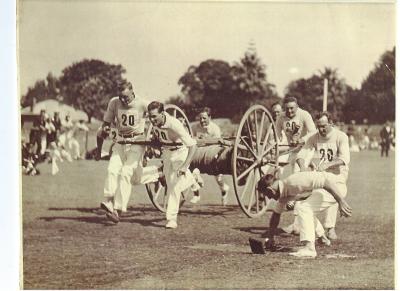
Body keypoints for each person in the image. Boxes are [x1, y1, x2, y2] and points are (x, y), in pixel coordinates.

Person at [249, 169, 352, 257]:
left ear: (269, 190)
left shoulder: (293, 182)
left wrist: (341, 201)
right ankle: (322, 238)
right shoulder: (283, 193)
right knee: (305, 206)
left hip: (336, 186)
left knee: (303, 207)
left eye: (266, 194)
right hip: (328, 188)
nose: (268, 197)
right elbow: (276, 215)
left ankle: (309, 249)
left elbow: (325, 182)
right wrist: (270, 237)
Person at [292, 111, 351, 255]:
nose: (321, 130)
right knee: (302, 207)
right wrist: (304, 168)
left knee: (304, 208)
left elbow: (344, 159)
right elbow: (300, 155)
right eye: (318, 126)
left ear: (331, 123)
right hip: (323, 182)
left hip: (337, 183)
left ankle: (309, 248)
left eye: (324, 126)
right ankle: (321, 236)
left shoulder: (341, 137)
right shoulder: (314, 137)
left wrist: (328, 165)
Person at [97, 81, 149, 223]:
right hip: (120, 141)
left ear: (133, 92)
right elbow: (106, 123)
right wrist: (106, 128)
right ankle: (108, 201)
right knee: (112, 170)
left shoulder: (143, 103)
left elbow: (158, 115)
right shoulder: (114, 103)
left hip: (137, 142)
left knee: (126, 172)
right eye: (121, 97)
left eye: (126, 97)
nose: (123, 100)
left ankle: (117, 210)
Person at [148, 101, 197, 228]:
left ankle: (171, 219)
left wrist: (185, 165)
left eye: (154, 116)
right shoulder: (155, 124)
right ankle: (193, 178)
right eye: (150, 116)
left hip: (180, 152)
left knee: (174, 186)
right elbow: (158, 140)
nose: (152, 120)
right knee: (170, 183)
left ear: (163, 114)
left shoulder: (175, 124)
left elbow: (192, 146)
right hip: (167, 154)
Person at [190, 107, 230, 205]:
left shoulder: (215, 128)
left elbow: (217, 146)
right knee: (189, 171)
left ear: (210, 117)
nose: (202, 121)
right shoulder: (194, 127)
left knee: (218, 178)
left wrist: (205, 140)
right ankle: (196, 194)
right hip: (197, 154)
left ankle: (224, 189)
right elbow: (190, 140)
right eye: (200, 118)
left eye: (204, 118)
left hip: (210, 156)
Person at [275, 96, 317, 177]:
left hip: (306, 147)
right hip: (293, 149)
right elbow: (277, 134)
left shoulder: (304, 114)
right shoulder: (281, 117)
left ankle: (309, 170)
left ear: (297, 106)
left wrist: (302, 139)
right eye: (287, 108)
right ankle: (311, 167)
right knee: (279, 168)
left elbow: (313, 132)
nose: (289, 111)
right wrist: (274, 144)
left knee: (296, 173)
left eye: (292, 108)